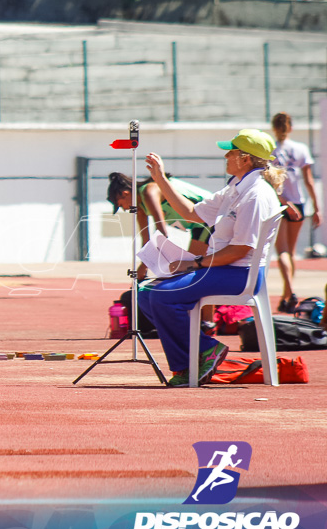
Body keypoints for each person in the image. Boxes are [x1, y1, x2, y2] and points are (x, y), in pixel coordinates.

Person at [137, 129, 285, 387]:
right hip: (224, 270)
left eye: (231, 152)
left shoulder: (255, 195)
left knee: (160, 296)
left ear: (245, 159)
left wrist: (194, 263)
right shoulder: (236, 188)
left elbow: (239, 251)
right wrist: (159, 178)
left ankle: (195, 359)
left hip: (239, 275)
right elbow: (192, 213)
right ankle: (198, 355)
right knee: (145, 292)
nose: (226, 156)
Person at [107, 172, 213, 281]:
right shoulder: (140, 208)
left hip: (210, 217)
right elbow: (146, 241)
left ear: (125, 194)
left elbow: (162, 234)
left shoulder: (149, 191)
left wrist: (147, 267)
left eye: (121, 205)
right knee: (185, 270)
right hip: (198, 226)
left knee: (187, 270)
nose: (124, 209)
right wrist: (142, 267)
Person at [270, 112, 321, 313]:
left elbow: (270, 182)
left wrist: (283, 200)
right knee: (290, 252)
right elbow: (308, 180)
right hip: (298, 203)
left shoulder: (270, 150)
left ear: (274, 127)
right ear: (290, 127)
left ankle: (289, 292)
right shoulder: (300, 148)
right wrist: (317, 207)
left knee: (282, 250)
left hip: (279, 203)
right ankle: (287, 293)